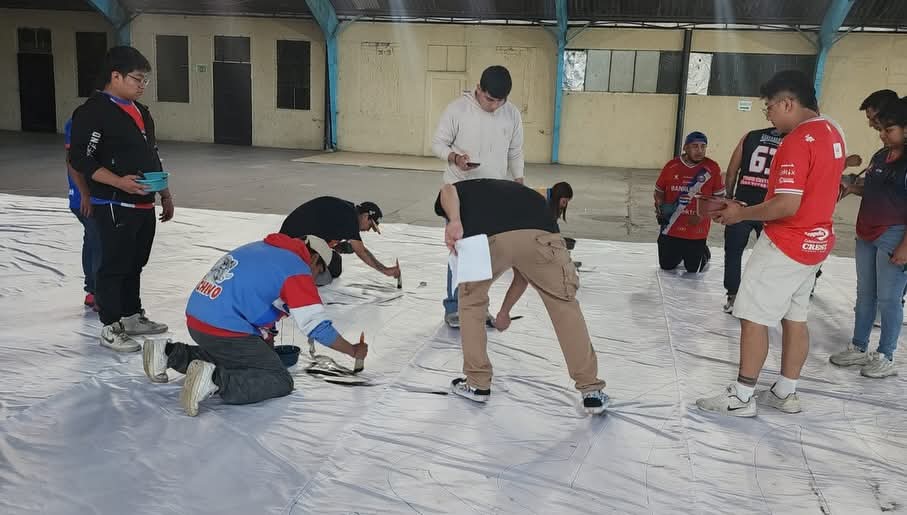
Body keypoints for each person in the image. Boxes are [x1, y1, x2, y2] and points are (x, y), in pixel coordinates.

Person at [697, 70, 846, 417]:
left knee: (752, 317)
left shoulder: (794, 141)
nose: (769, 116)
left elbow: (786, 204)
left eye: (769, 108)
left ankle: (742, 396)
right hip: (816, 242)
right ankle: (785, 391)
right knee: (795, 317)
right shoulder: (832, 130)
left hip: (785, 242)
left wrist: (741, 213)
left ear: (787, 103)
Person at [142, 233, 368, 417]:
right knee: (278, 380)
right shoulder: (296, 269)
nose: (314, 279)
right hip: (224, 328)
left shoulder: (261, 247)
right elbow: (318, 327)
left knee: (233, 356)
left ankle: (167, 352)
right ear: (314, 260)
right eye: (318, 273)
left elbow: (254, 295)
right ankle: (213, 381)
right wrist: (353, 350)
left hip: (198, 318)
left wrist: (264, 341)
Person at [434, 178, 609, 415]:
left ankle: (477, 384)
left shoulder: (460, 191)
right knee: (564, 305)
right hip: (541, 238)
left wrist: (454, 221)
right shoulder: (523, 194)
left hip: (488, 241)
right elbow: (523, 271)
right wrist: (504, 311)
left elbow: (447, 190)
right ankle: (591, 391)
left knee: (471, 303)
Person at [68, 46, 174, 353]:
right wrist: (117, 182)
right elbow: (79, 159)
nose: (142, 86)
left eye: (145, 81)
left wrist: (164, 193)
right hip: (114, 203)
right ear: (115, 76)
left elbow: (151, 154)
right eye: (137, 79)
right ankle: (110, 324)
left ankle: (131, 315)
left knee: (135, 262)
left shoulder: (141, 112)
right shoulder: (93, 112)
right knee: (114, 265)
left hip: (143, 202)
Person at [431, 65, 525, 328]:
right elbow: (438, 143)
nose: (494, 106)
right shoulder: (457, 109)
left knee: (487, 254)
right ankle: (454, 306)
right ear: (479, 89)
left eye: (500, 101)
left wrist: (518, 184)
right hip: (459, 191)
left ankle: (477, 305)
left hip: (494, 192)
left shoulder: (512, 114)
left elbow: (516, 151)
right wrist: (455, 158)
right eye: (489, 99)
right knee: (459, 249)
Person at [828, 99, 907, 378]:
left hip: (894, 236)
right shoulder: (880, 156)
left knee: (889, 299)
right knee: (865, 295)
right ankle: (859, 347)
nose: (882, 134)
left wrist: (904, 247)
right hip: (866, 233)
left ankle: (886, 354)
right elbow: (873, 189)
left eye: (889, 129)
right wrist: (851, 187)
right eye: (882, 129)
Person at [721, 127, 783, 313]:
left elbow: (732, 171)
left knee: (733, 251)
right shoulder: (794, 139)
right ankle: (768, 299)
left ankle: (733, 296)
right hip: (770, 207)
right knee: (772, 256)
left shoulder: (750, 136)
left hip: (742, 203)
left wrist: (730, 197)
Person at [279, 197, 399, 285]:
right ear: (366, 216)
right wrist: (386, 270)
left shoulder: (346, 211)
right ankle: (300, 279)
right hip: (291, 244)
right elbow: (362, 252)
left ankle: (302, 269)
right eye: (370, 225)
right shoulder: (350, 218)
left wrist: (336, 247)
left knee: (335, 259)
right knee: (333, 268)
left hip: (290, 238)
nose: (367, 230)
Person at [654, 131, 725, 273]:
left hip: (696, 229)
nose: (699, 151)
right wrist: (660, 207)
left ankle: (703, 252)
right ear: (685, 148)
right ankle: (679, 252)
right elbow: (659, 191)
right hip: (671, 227)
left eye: (703, 147)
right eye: (695, 146)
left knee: (693, 269)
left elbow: (719, 198)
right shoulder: (671, 166)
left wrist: (702, 215)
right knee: (666, 266)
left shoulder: (712, 168)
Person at [65, 117, 102, 311]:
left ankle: (93, 290)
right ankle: (97, 292)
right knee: (98, 241)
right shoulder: (82, 122)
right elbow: (73, 160)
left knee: (92, 239)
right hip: (87, 197)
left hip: (89, 196)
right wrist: (85, 194)